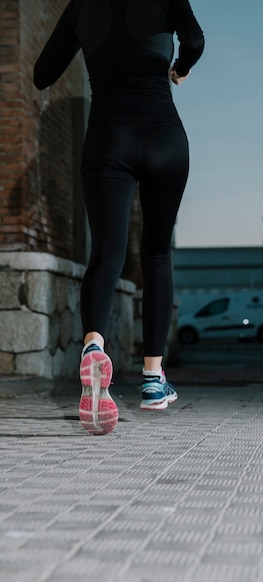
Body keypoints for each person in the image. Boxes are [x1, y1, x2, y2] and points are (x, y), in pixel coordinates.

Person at [33, 0, 204, 435]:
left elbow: (42, 74)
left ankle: (93, 345)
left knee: (106, 254)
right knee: (157, 255)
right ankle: (152, 380)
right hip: (165, 137)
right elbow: (196, 41)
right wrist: (179, 69)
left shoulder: (82, 6)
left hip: (108, 139)